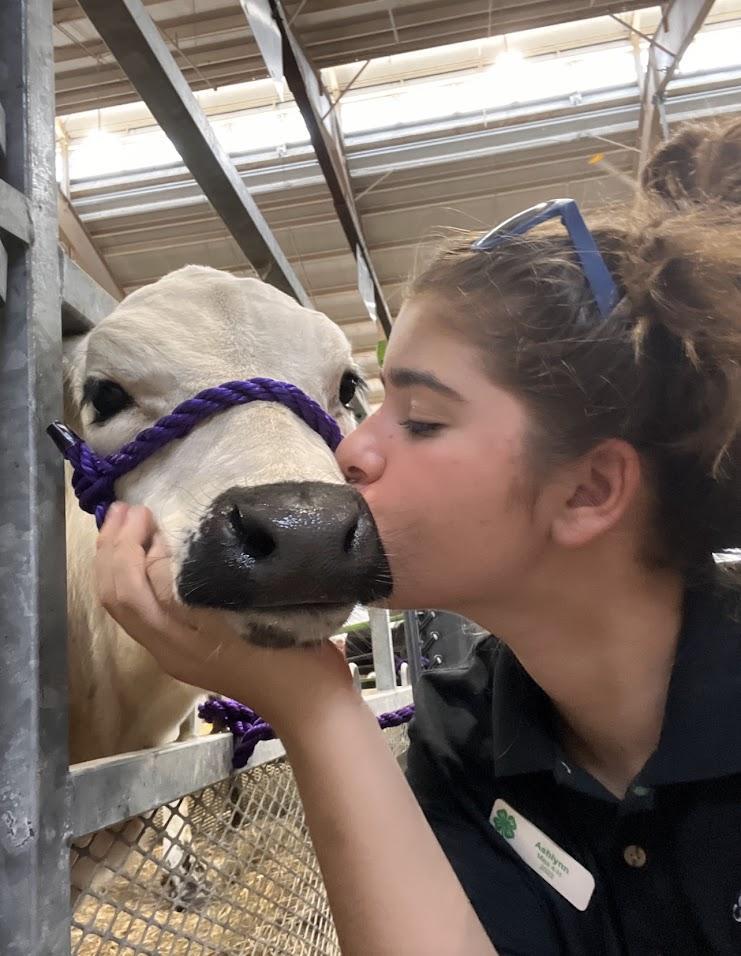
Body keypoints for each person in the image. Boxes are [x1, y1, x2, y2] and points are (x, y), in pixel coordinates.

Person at [94, 118, 741, 955]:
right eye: (369, 409)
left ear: (586, 490)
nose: (347, 452)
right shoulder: (462, 733)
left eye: (422, 420)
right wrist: (317, 706)